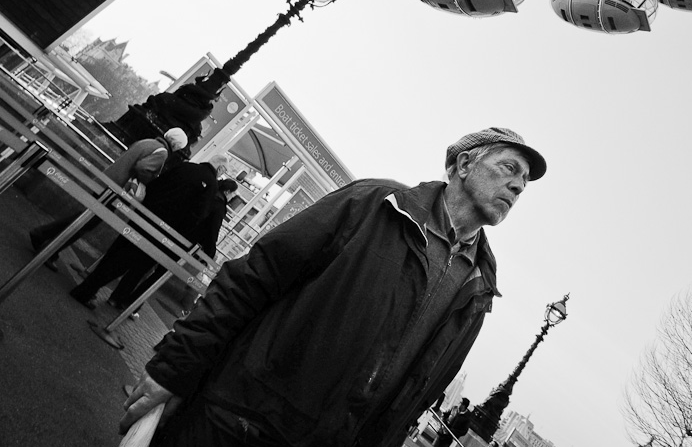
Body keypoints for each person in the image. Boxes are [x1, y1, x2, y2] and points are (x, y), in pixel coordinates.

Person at [119, 127, 547, 447]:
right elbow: (253, 277)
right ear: (463, 165)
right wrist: (174, 369)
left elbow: (415, 397)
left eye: (524, 182)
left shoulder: (479, 286)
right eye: (509, 168)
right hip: (237, 421)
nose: (517, 186)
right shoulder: (373, 204)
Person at [68, 159, 219, 309]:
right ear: (220, 169)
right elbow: (197, 215)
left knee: (116, 252)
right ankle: (86, 291)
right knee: (125, 262)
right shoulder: (211, 184)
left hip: (144, 216)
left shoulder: (185, 166)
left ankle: (87, 288)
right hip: (162, 233)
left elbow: (156, 184)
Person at [28, 128, 189, 267]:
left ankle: (48, 242)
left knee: (84, 219)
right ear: (176, 145)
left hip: (108, 181)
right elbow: (143, 168)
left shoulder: (148, 142)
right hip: (117, 188)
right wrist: (149, 181)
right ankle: (46, 242)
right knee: (85, 223)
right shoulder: (162, 153)